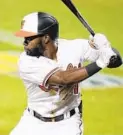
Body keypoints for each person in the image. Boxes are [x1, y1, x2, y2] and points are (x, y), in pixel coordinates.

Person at [10, 12, 122, 135]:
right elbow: (63, 78)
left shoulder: (74, 47)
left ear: (46, 38)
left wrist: (105, 47)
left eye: (29, 37)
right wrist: (100, 62)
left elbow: (116, 61)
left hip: (67, 125)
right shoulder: (27, 61)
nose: (24, 42)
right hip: (33, 123)